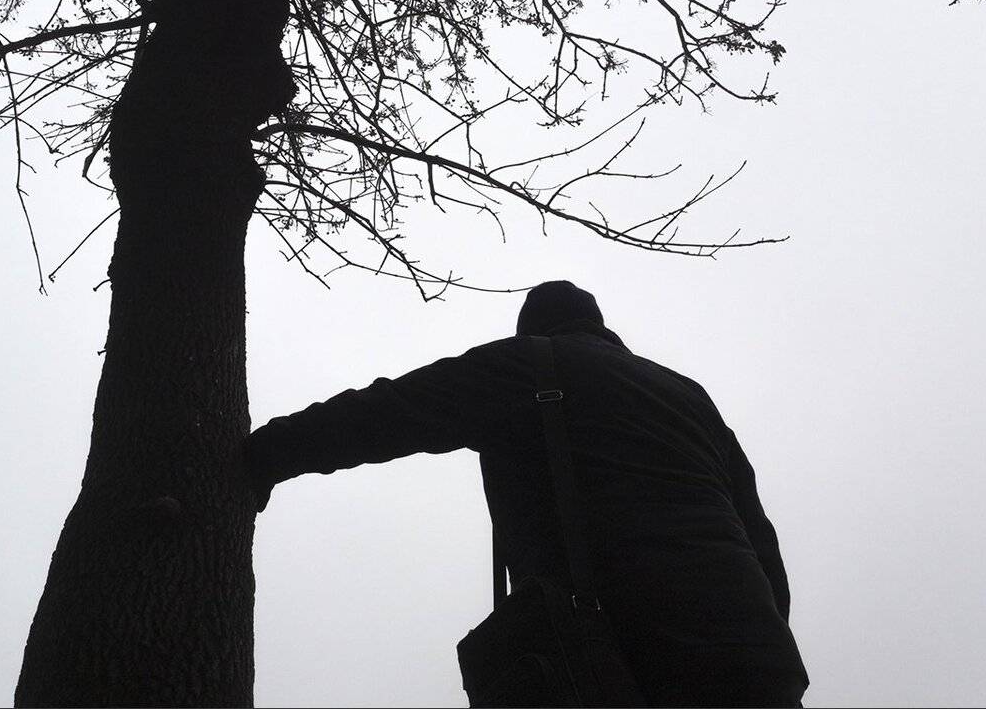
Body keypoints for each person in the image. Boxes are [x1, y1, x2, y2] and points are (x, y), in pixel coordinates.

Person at [245, 280, 809, 707]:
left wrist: (268, 453)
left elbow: (392, 411)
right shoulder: (690, 398)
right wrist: (760, 632)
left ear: (531, 329)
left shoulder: (530, 365)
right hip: (759, 659)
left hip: (623, 653)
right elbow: (763, 546)